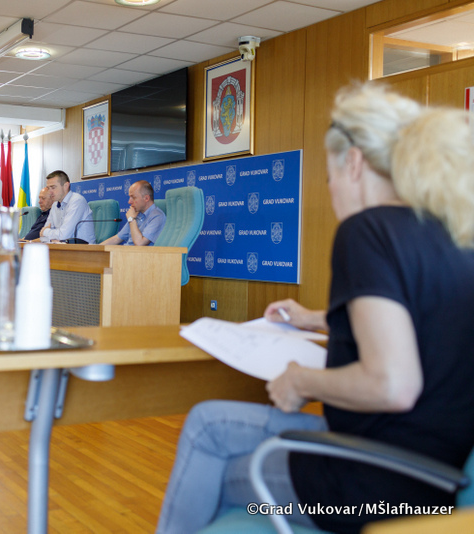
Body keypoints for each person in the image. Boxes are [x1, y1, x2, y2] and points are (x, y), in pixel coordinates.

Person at [157, 83, 474, 534]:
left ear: (354, 162)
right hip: (436, 476)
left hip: (374, 481)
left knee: (219, 474)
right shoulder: (451, 230)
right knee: (208, 422)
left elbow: (393, 385)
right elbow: (420, 319)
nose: (329, 189)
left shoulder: (367, 231)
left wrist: (300, 380)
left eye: (328, 175)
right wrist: (315, 319)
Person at [101, 180, 165, 246]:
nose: (129, 201)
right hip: (125, 251)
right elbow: (117, 239)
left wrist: (131, 220)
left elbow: (139, 243)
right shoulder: (137, 214)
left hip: (137, 252)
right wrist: (96, 249)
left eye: (133, 197)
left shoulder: (158, 217)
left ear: (146, 198)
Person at [40, 170, 95, 244]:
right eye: (48, 188)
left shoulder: (77, 201)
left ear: (66, 186)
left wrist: (46, 231)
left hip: (84, 249)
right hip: (63, 248)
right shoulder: (54, 205)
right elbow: (42, 238)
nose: (50, 192)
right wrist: (52, 237)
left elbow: (63, 236)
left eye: (53, 187)